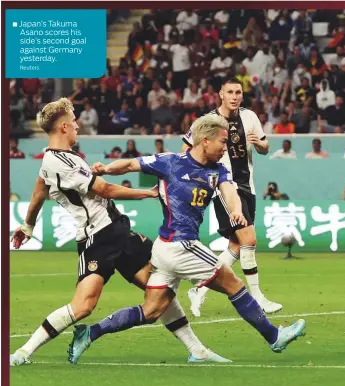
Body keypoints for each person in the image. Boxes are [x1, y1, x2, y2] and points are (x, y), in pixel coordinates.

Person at [68, 114, 305, 363]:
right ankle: (274, 336)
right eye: (222, 142)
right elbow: (130, 165)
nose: (225, 148)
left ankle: (90, 333)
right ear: (205, 141)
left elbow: (230, 192)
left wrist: (235, 209)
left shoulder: (217, 170)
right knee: (233, 283)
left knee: (151, 311)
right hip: (181, 245)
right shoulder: (170, 162)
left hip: (166, 250)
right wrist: (106, 168)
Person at [9, 98, 229, 366]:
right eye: (74, 120)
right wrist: (147, 193)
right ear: (64, 127)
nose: (78, 124)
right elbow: (103, 189)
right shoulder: (56, 161)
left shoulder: (65, 158)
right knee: (83, 306)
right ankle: (24, 351)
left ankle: (197, 349)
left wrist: (28, 225)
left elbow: (38, 191)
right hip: (96, 239)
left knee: (157, 289)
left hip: (118, 231)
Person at [182, 77, 282, 317]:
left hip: (248, 186)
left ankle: (200, 288)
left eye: (238, 92)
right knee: (249, 239)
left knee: (237, 246)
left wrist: (261, 144)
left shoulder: (250, 117)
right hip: (225, 187)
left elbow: (265, 146)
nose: (235, 96)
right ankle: (257, 297)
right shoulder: (208, 122)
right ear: (221, 94)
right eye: (230, 92)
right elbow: (186, 150)